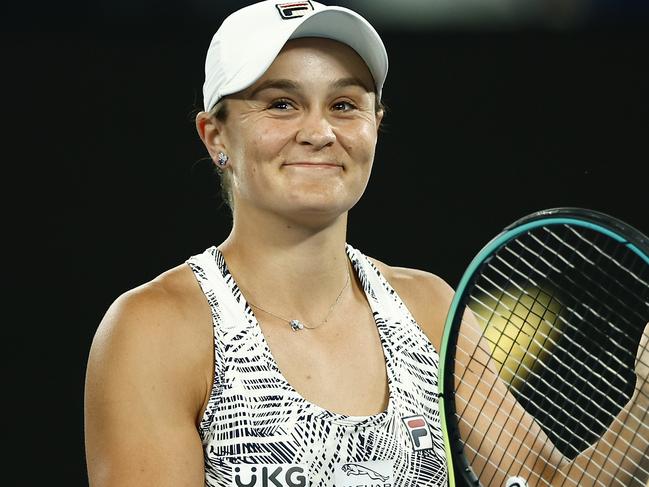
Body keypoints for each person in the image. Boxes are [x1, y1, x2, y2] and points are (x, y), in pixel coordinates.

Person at [84, 2, 648, 486]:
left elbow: (542, 485)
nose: (319, 130)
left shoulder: (428, 308)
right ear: (216, 136)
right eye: (281, 103)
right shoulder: (154, 328)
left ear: (376, 125)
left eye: (345, 105)